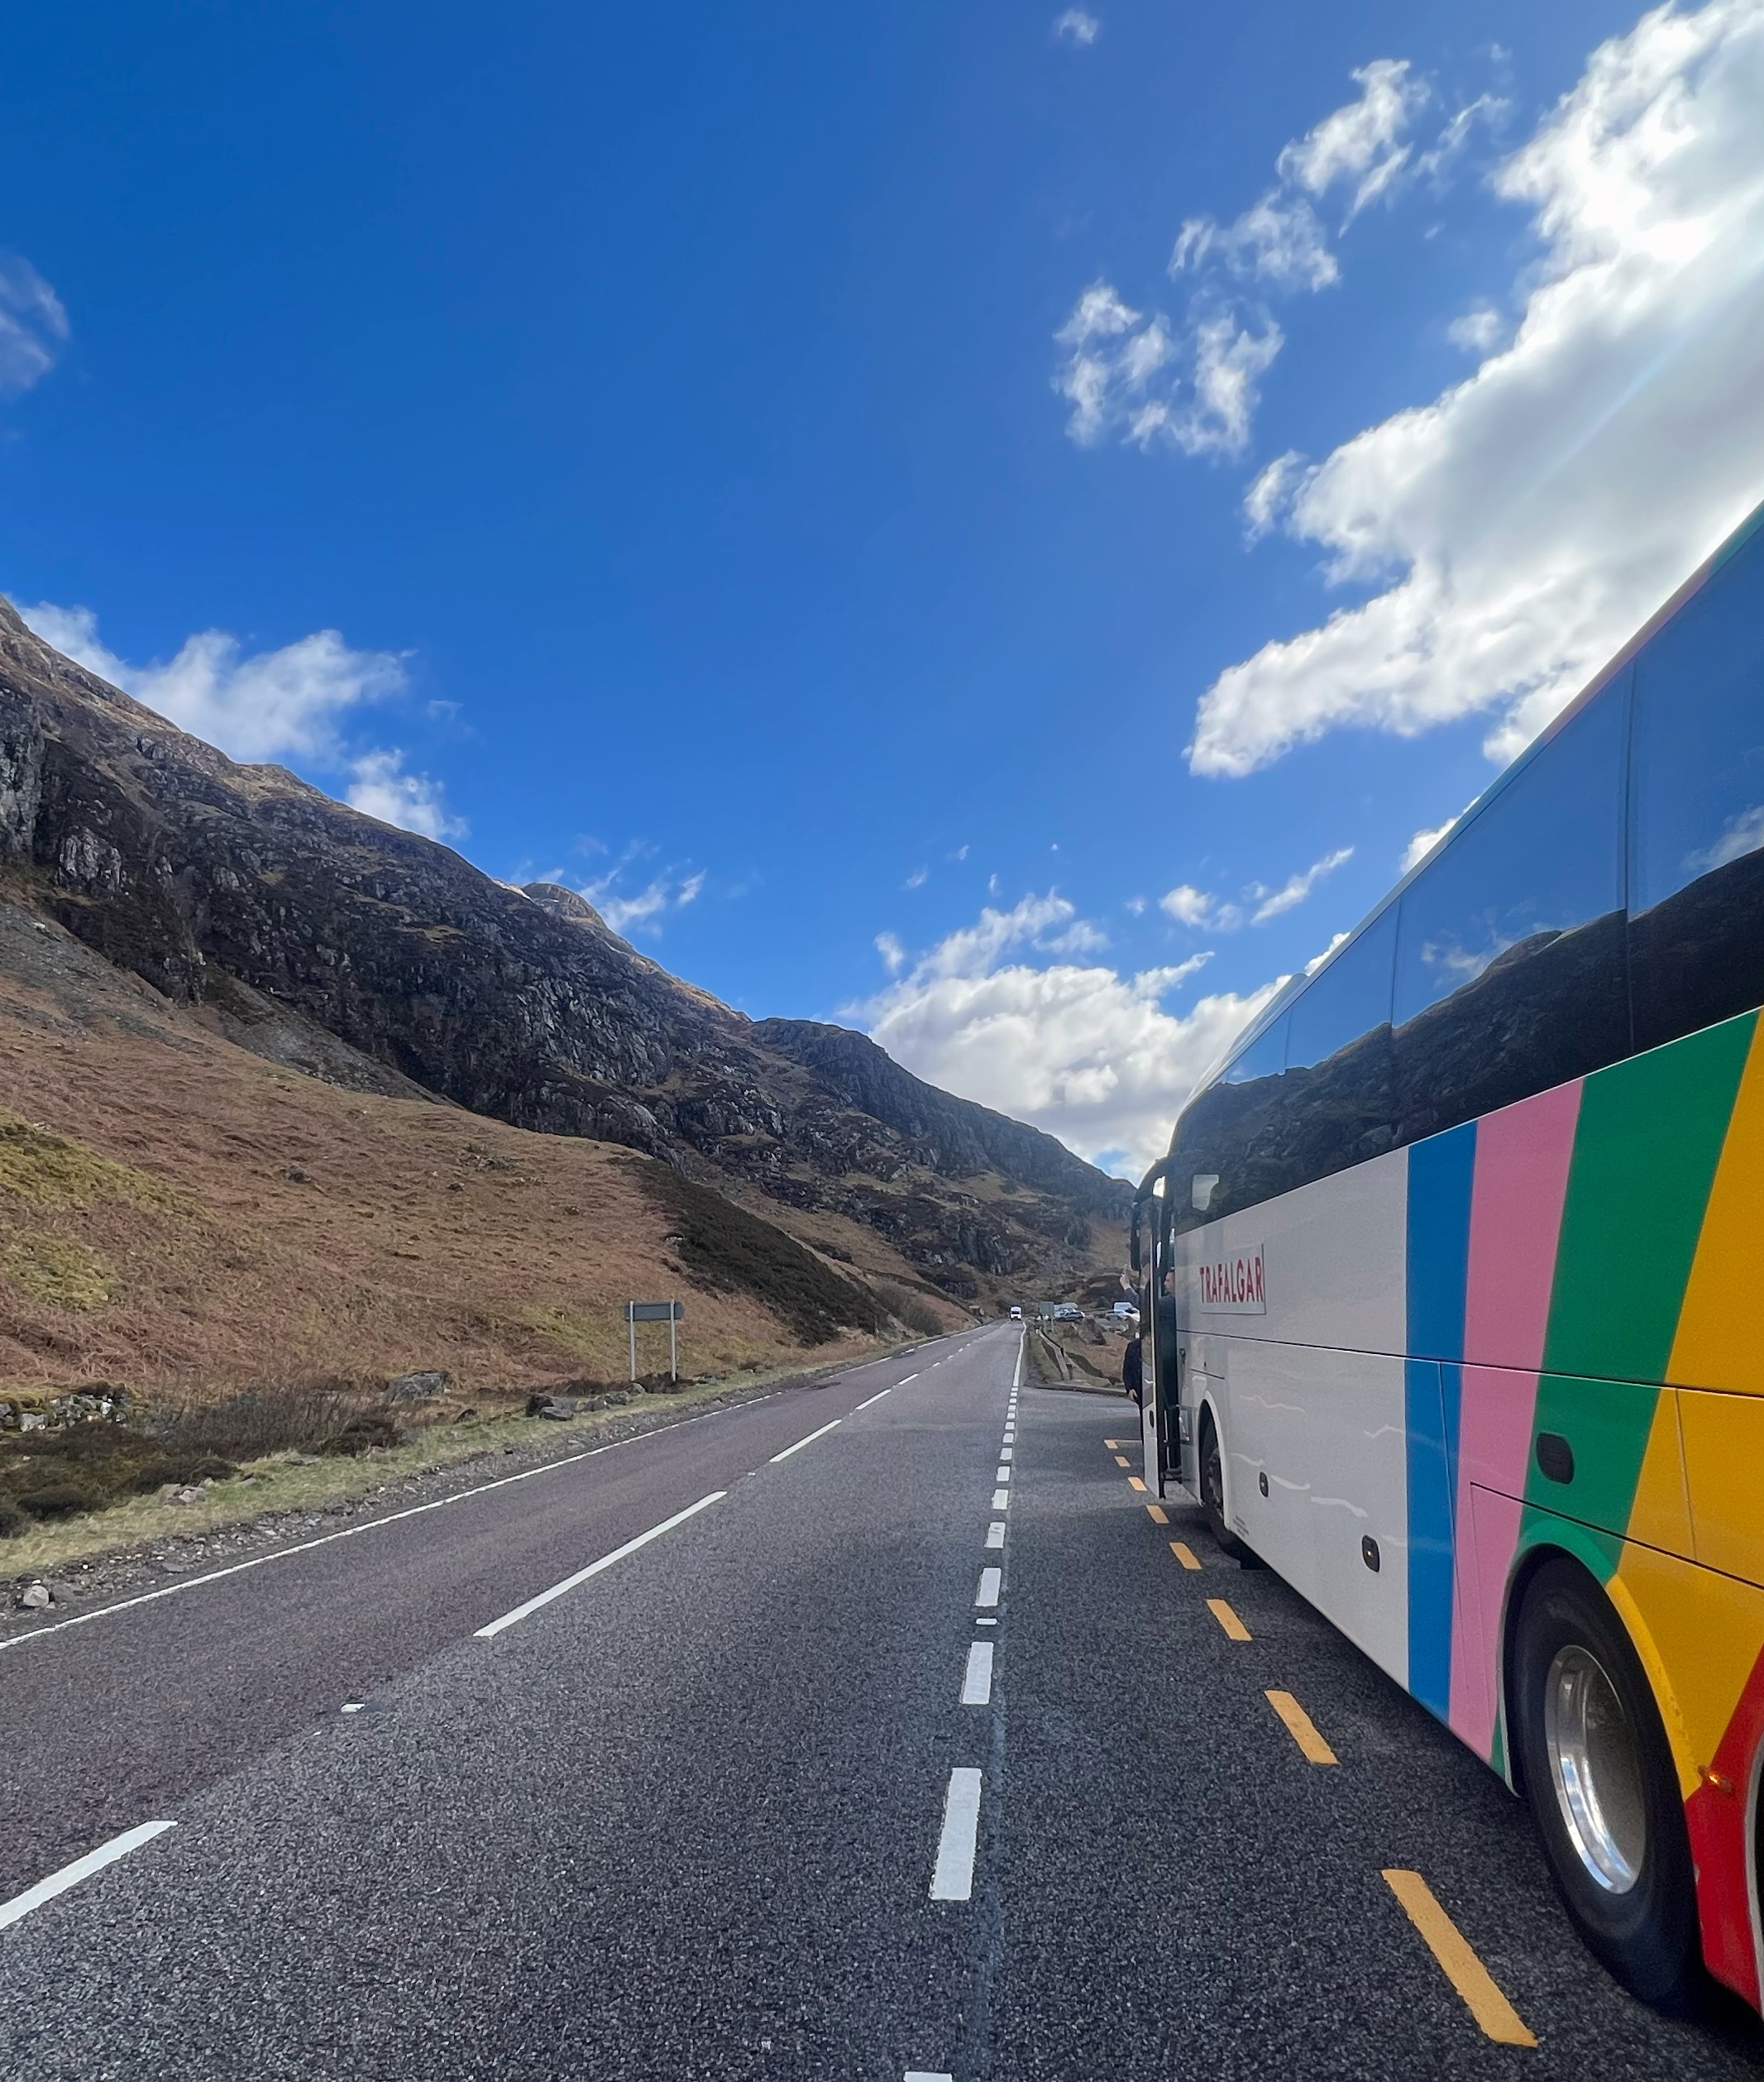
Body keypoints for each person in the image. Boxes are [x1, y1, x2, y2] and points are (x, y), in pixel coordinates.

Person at [1122, 1332, 1143, 1407]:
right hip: (1139, 1389)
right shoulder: (1133, 1346)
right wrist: (1130, 1388)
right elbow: (1127, 1369)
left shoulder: (1161, 1345)